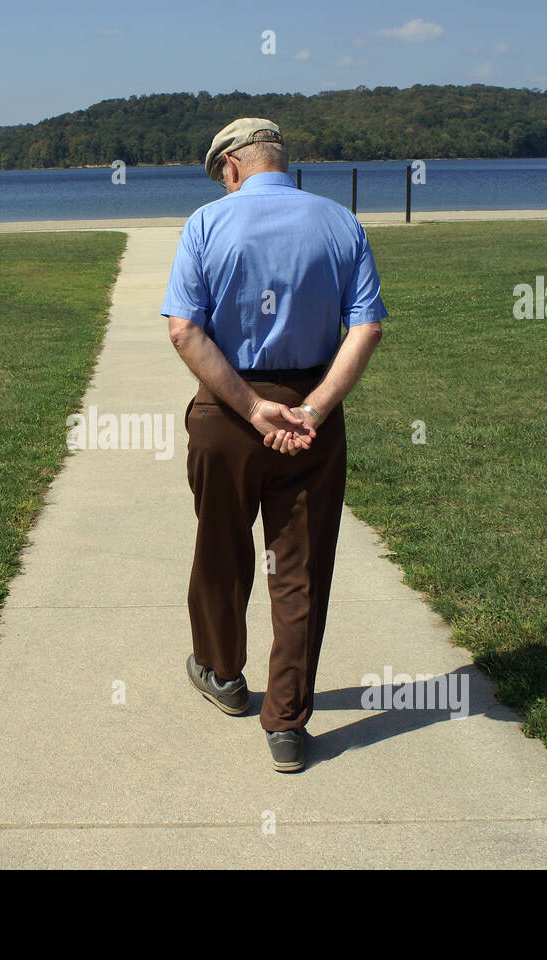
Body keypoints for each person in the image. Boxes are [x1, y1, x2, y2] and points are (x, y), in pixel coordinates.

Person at [161, 117, 388, 772]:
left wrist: (255, 408)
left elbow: (184, 332)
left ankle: (223, 676)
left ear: (232, 167)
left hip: (228, 413)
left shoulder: (207, 224)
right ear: (279, 162)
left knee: (221, 551)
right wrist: (310, 409)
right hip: (313, 414)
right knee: (301, 569)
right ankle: (286, 724)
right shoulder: (341, 223)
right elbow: (366, 329)